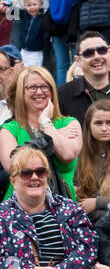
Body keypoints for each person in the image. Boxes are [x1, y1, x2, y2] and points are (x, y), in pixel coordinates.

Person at [0, 67, 83, 198]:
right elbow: (13, 166)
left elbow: (67, 154)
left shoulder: (70, 123)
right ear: (22, 92)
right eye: (32, 87)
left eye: (45, 87)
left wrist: (45, 122)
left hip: (62, 208)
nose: (39, 92)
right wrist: (48, 139)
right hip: (19, 209)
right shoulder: (9, 129)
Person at [58, 30, 110, 153]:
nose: (97, 56)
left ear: (109, 54)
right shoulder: (62, 95)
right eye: (89, 53)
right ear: (78, 60)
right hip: (78, 169)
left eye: (102, 50)